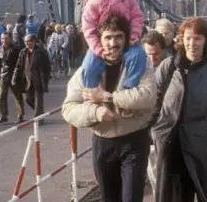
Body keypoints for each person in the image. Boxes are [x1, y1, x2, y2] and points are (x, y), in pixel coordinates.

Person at [62, 16, 156, 202]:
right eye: (108, 38)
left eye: (118, 37)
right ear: (99, 40)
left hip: (134, 140)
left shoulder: (140, 64)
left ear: (126, 38)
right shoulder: (86, 71)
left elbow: (147, 97)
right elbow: (69, 108)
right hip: (103, 142)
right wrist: (95, 112)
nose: (113, 43)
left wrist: (107, 97)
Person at [151, 17, 207, 202]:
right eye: (188, 38)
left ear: (206, 41)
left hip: (206, 146)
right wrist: (155, 130)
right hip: (173, 146)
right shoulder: (169, 67)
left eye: (197, 38)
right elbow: (153, 99)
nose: (192, 43)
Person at [81, 0, 147, 92]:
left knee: (139, 55)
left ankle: (128, 87)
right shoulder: (93, 2)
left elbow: (137, 17)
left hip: (127, 40)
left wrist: (135, 34)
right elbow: (88, 29)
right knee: (89, 67)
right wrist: (98, 49)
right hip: (101, 45)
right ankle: (92, 92)